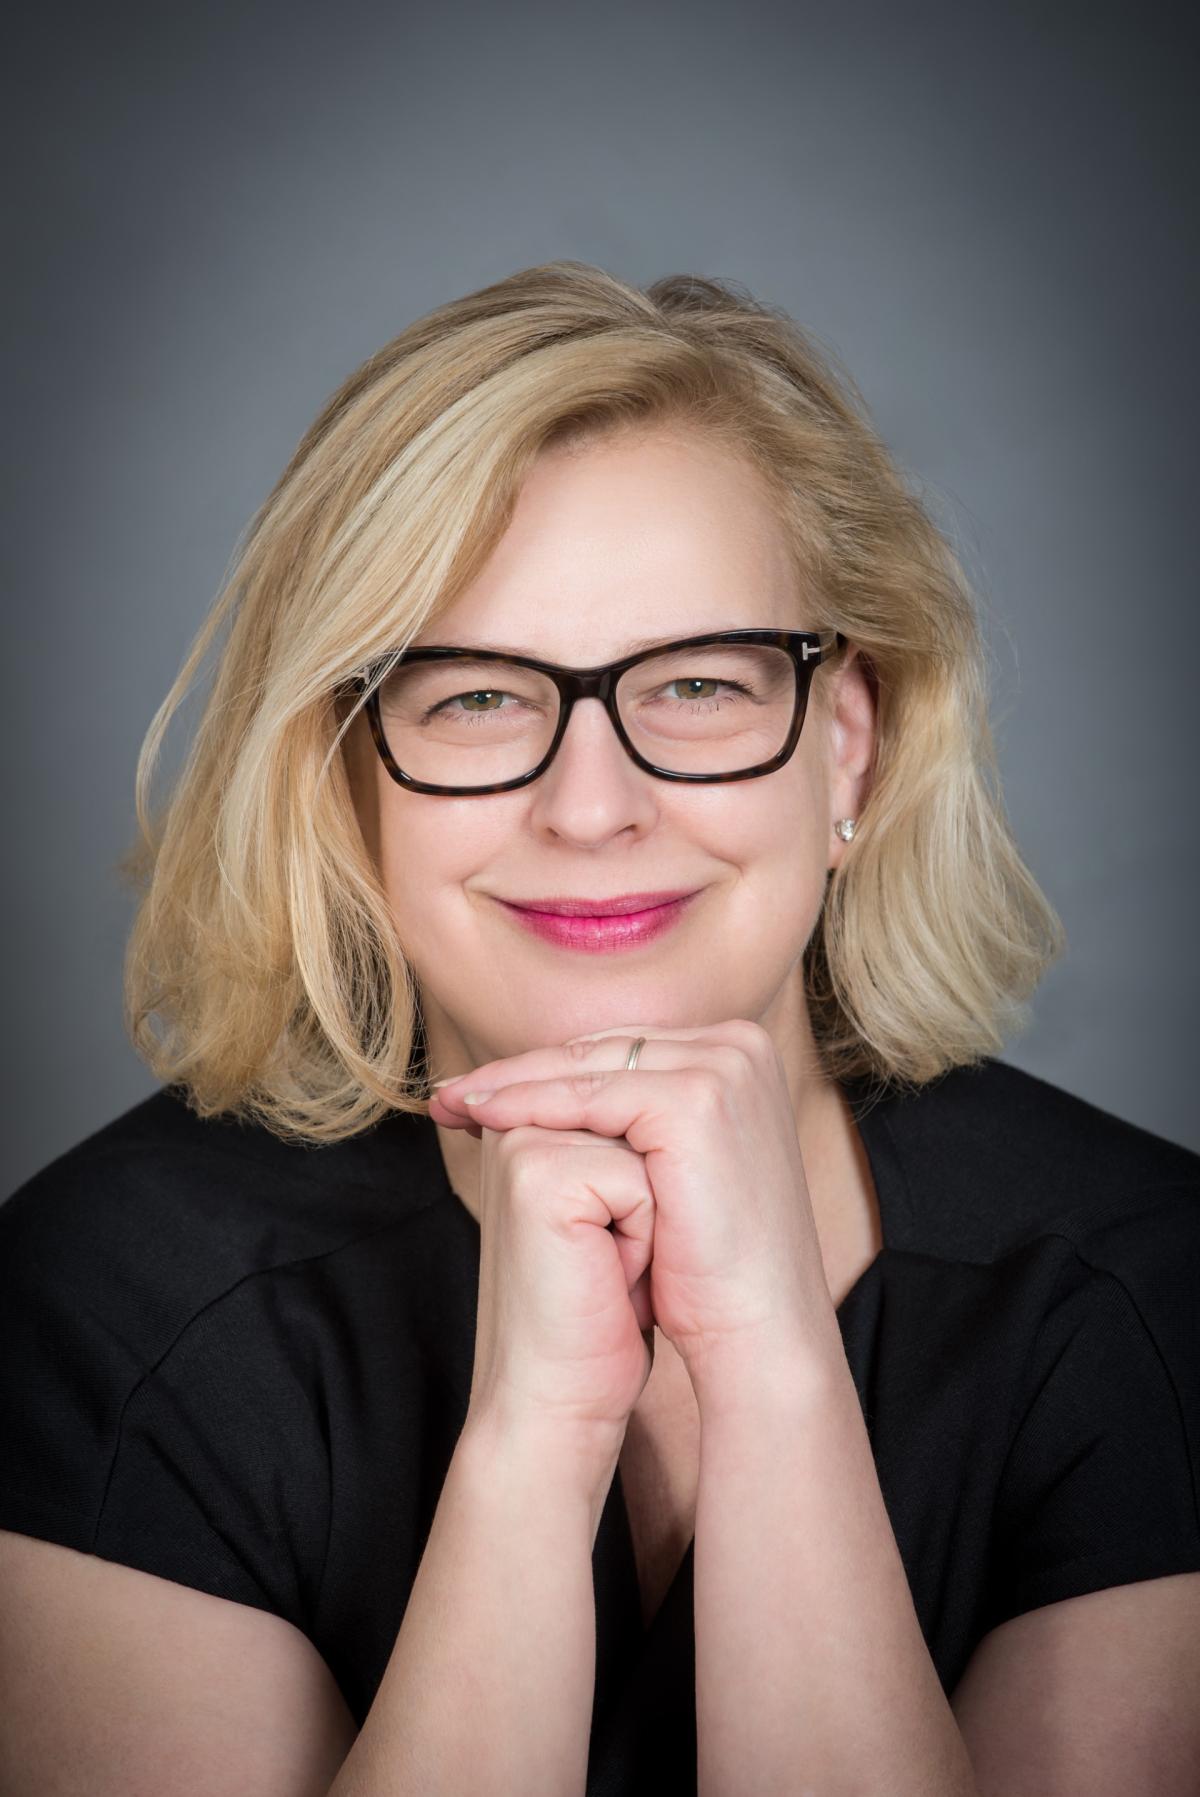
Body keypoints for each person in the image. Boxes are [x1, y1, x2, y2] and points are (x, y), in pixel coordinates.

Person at [1, 261, 1197, 1797]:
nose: (591, 805)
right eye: (479, 699)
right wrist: (527, 1450)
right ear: (346, 772)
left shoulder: (1157, 1299)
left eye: (698, 683)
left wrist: (775, 1379)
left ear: (846, 747)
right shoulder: (104, 1312)